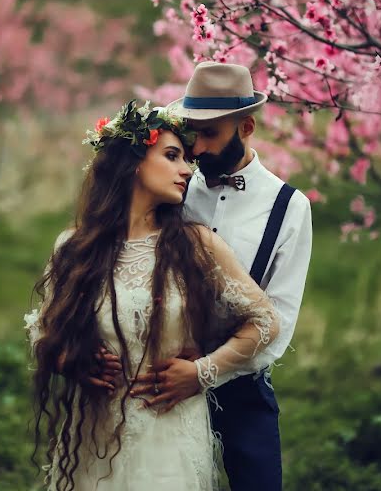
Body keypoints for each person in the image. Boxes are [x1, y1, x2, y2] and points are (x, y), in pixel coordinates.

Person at [24, 100, 282, 491]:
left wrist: (202, 371)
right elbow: (43, 331)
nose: (188, 168)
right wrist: (71, 362)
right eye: (173, 156)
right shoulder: (74, 248)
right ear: (132, 162)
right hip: (93, 438)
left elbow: (265, 323)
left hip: (169, 435)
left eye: (186, 159)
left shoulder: (196, 245)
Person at [133, 61, 313, 490]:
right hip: (159, 379)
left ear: (246, 126)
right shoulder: (173, 187)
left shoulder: (290, 208)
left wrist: (203, 373)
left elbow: (280, 321)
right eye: (192, 134)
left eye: (210, 134)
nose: (196, 149)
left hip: (242, 387)